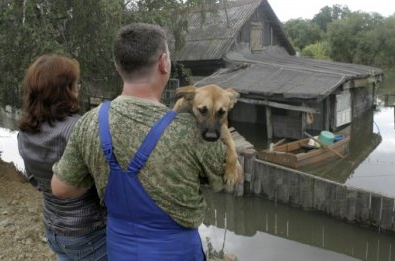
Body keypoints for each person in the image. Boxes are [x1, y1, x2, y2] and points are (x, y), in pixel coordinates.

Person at [51, 23, 242, 260]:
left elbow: (61, 188)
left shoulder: (89, 123)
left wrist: (101, 173)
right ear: (164, 63)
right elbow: (234, 175)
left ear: (117, 68)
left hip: (120, 248)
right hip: (177, 252)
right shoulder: (191, 132)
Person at [17, 54, 107, 261]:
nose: (78, 88)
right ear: (66, 89)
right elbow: (105, 185)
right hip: (89, 233)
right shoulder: (79, 128)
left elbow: (33, 180)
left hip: (53, 230)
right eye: (76, 83)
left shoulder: (24, 133)